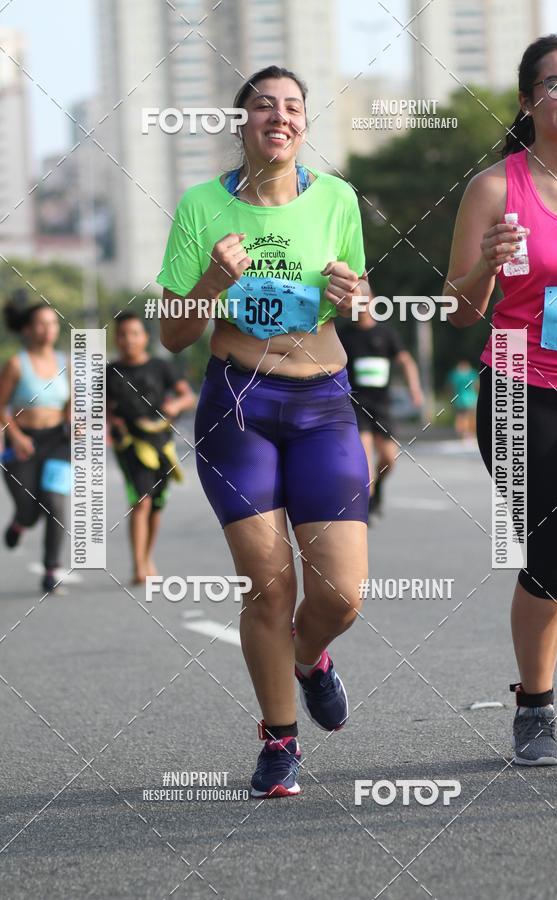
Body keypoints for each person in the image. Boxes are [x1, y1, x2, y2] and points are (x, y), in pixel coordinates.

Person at [157, 65, 370, 797]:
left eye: (293, 108)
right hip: (238, 406)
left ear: (304, 124)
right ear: (240, 122)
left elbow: (360, 303)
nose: (279, 117)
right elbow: (170, 336)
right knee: (268, 587)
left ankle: (310, 658)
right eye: (264, 107)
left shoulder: (337, 198)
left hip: (323, 404)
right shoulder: (199, 207)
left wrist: (357, 295)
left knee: (341, 594)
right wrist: (211, 287)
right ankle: (279, 740)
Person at [444, 34, 557, 765]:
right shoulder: (493, 188)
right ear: (528, 100)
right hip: (521, 387)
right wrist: (487, 262)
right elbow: (459, 309)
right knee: (555, 553)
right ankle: (534, 709)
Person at [106, 312, 195, 584]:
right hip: (129, 445)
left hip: (162, 444)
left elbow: (188, 396)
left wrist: (176, 405)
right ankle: (138, 565)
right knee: (141, 501)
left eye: (134, 334)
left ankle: (147, 556)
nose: (128, 340)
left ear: (145, 337)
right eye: (122, 335)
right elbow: (97, 409)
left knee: (157, 504)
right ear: (116, 339)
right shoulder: (110, 373)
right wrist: (111, 422)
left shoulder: (161, 366)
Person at [0, 296, 70, 594]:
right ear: (28, 329)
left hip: (58, 442)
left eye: (53, 323)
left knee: (54, 502)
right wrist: (15, 436)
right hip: (22, 442)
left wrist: (77, 420)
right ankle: (19, 524)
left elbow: (73, 403)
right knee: (29, 510)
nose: (48, 329)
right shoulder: (17, 364)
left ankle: (51, 569)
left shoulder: (67, 362)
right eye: (41, 324)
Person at [338, 305, 423, 516]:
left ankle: (378, 488)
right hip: (355, 404)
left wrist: (414, 387)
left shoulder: (386, 333)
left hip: (382, 405)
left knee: (388, 459)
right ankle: (364, 508)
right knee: (364, 461)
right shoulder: (344, 335)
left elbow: (405, 360)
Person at [446, 359, 478, 440]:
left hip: (459, 399)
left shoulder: (455, 374)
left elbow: (450, 387)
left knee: (461, 417)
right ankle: (469, 434)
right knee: (470, 417)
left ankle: (463, 434)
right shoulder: (472, 373)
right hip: (471, 398)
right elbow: (477, 385)